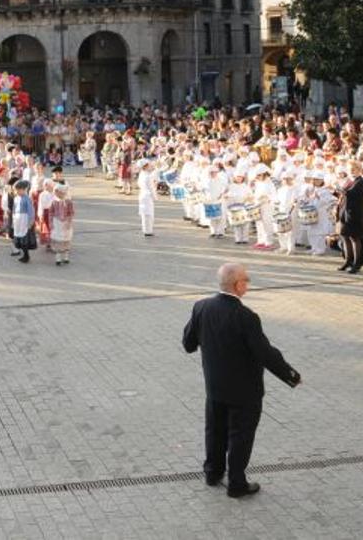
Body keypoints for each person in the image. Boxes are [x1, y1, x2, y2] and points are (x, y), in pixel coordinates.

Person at [181, 263, 301, 499]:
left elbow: (188, 344)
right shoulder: (246, 317)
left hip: (214, 387)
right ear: (238, 285)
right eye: (247, 279)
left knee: (215, 430)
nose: (248, 283)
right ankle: (236, 483)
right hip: (245, 391)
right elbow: (264, 353)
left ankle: (212, 472)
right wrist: (290, 375)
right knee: (240, 435)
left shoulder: (201, 307)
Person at [137, 159, 156, 237]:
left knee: (145, 213)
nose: (150, 166)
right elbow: (151, 188)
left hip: (142, 194)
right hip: (147, 195)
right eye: (149, 165)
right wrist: (154, 196)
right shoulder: (147, 176)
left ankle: (146, 229)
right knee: (148, 214)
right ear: (145, 167)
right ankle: (148, 231)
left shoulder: (142, 174)